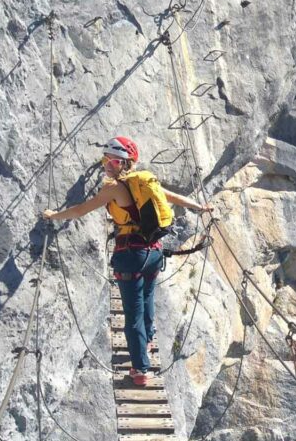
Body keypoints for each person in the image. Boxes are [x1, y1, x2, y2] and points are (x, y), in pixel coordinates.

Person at [42, 136, 212, 385]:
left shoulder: (114, 188)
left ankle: (141, 370)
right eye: (105, 160)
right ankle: (149, 337)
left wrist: (54, 215)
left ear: (123, 163)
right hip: (153, 252)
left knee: (132, 314)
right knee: (147, 298)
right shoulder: (142, 183)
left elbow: (81, 210)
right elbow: (171, 197)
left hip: (130, 255)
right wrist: (200, 206)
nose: (106, 165)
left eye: (110, 161)